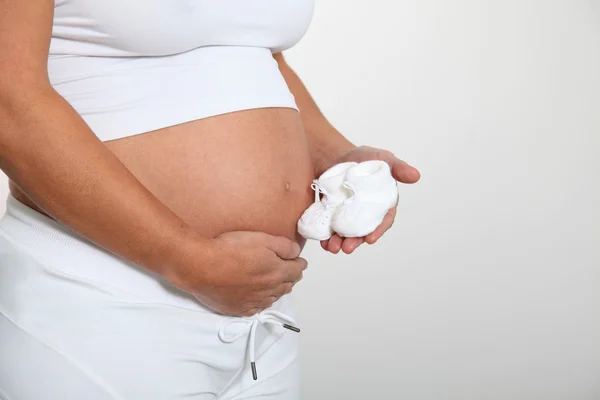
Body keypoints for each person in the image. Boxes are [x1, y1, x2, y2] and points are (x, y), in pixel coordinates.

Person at [0, 1, 420, 399]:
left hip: (260, 317)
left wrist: (336, 156)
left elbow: (249, 52)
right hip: (96, 297)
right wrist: (184, 258)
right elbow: (8, 100)